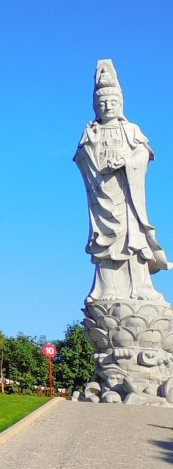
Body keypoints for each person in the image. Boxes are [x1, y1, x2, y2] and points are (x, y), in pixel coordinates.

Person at [74, 60, 168, 301]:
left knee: (133, 240)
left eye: (112, 102)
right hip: (103, 193)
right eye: (102, 103)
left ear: (121, 104)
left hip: (127, 196)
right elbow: (81, 158)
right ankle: (108, 289)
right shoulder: (91, 132)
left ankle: (141, 288)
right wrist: (92, 143)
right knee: (107, 244)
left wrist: (127, 161)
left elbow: (145, 153)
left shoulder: (132, 130)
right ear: (95, 106)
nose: (107, 107)